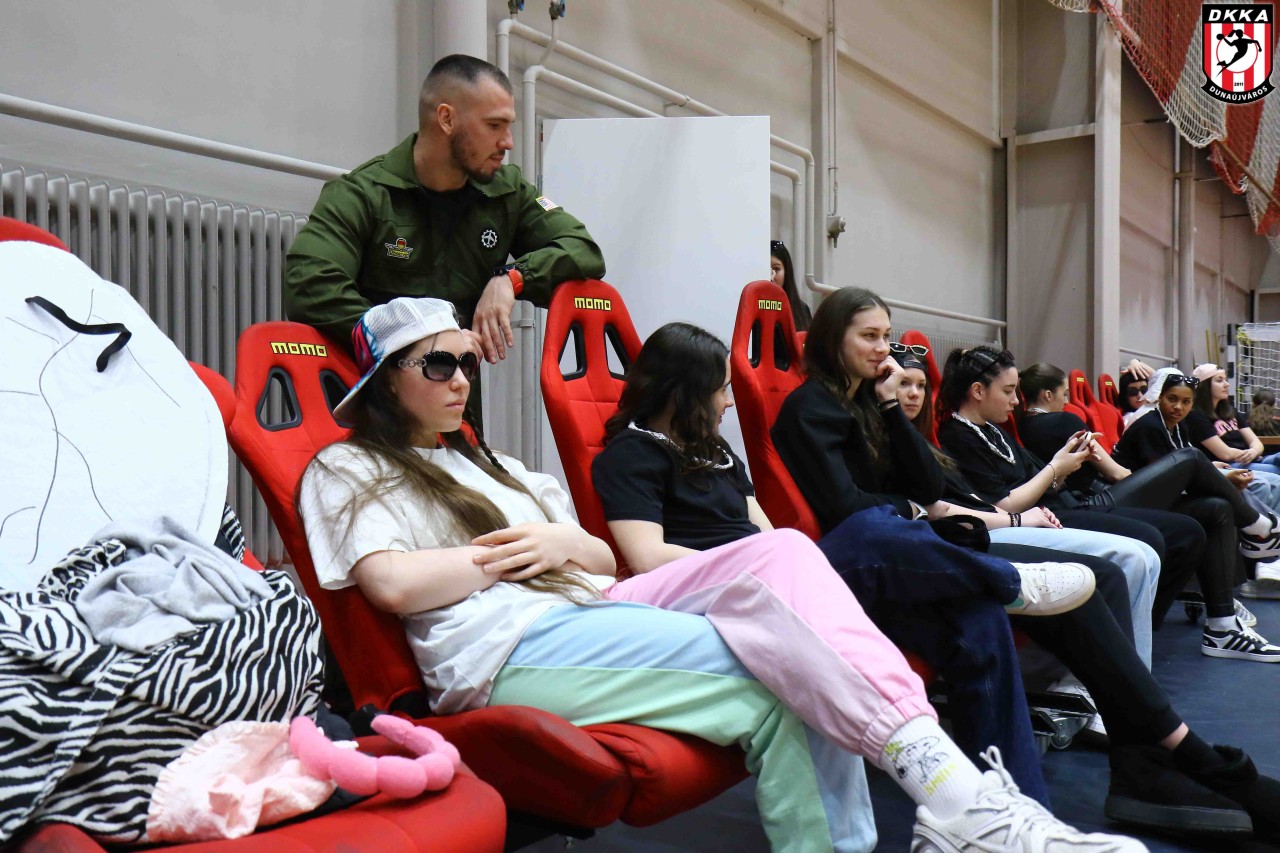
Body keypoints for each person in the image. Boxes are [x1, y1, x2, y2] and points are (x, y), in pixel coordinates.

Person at [298, 297, 1144, 852]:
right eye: (436, 365)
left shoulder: (500, 466)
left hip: (593, 601)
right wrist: (505, 553)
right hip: (508, 645)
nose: (460, 379)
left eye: (466, 363)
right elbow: (392, 586)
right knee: (794, 666)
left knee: (788, 553)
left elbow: (599, 556)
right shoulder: (347, 468)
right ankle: (956, 794)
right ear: (386, 382)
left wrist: (558, 543)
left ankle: (955, 790)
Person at [770, 289, 1280, 842]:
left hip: (919, 546)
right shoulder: (808, 409)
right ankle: (1182, 756)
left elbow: (926, 485)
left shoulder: (872, 403)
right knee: (1009, 582)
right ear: (833, 339)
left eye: (886, 336)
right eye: (869, 336)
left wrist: (892, 411)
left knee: (1063, 593)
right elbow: (849, 510)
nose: (882, 349)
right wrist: (914, 507)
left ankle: (1080, 787)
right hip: (873, 562)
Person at [284, 54, 605, 367]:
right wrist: (418, 339)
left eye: (508, 126)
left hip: (456, 391)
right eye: (494, 125)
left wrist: (512, 278)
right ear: (446, 119)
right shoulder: (362, 195)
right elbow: (309, 286)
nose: (508, 142)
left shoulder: (508, 192)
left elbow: (583, 250)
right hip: (376, 390)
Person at [1110, 367, 1280, 660]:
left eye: (1186, 402)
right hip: (1130, 501)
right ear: (1159, 398)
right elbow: (1166, 479)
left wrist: (1221, 477)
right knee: (1213, 483)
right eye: (1172, 399)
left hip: (1156, 498)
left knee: (1220, 506)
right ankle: (1260, 529)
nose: (1178, 407)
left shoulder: (1178, 426)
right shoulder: (1149, 425)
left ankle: (1223, 621)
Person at [1190, 363, 1280, 477]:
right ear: (1205, 386)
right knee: (1275, 470)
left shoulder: (1230, 410)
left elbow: (1255, 441)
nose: (1226, 384)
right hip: (1227, 465)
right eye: (1219, 380)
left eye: (1226, 380)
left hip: (1251, 459)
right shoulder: (1196, 415)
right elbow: (1225, 453)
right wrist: (1249, 454)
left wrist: (1254, 451)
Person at [769, 240, 811, 332]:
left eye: (776, 269)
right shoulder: (753, 307)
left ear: (787, 272)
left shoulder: (802, 310)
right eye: (767, 270)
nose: (771, 276)